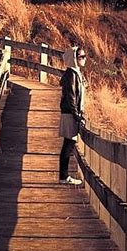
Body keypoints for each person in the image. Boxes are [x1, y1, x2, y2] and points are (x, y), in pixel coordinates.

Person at [58, 45, 87, 185]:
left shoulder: (74, 73)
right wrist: (77, 117)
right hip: (70, 114)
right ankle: (64, 177)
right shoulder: (71, 75)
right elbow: (71, 98)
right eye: (81, 56)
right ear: (74, 59)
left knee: (68, 144)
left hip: (70, 114)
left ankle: (64, 176)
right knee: (68, 145)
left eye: (84, 56)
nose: (84, 59)